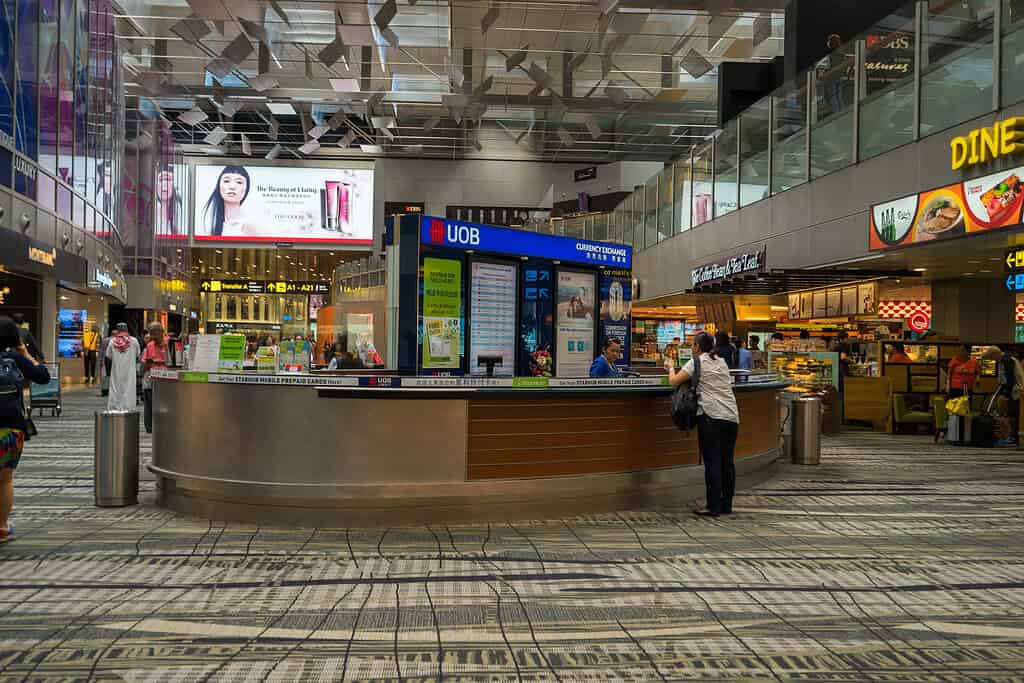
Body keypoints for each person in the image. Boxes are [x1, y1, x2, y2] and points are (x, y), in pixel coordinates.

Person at [665, 332, 739, 517]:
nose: (691, 347)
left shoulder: (696, 361)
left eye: (693, 344)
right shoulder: (721, 362)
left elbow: (674, 381)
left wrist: (670, 367)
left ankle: (713, 506)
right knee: (727, 462)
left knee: (712, 462)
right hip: (731, 415)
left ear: (697, 347)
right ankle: (726, 505)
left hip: (710, 416)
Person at [0, 314, 50, 543]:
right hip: (12, 428)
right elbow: (43, 377)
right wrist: (24, 352)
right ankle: (1, 527)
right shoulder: (14, 358)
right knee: (4, 480)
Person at [984, 346, 1023, 445]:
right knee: (1011, 415)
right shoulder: (1005, 360)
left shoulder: (1007, 361)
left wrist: (1006, 394)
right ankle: (1013, 436)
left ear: (995, 354)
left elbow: (1010, 379)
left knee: (1011, 415)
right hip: (1013, 390)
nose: (993, 361)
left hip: (1015, 391)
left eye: (991, 358)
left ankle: (1012, 437)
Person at [203, 165, 251, 237]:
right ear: (219, 186)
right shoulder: (210, 226)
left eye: (239, 182)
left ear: (246, 189)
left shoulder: (251, 225)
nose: (232, 187)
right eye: (226, 181)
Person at [105, 323, 140, 411]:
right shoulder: (134, 341)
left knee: (116, 387)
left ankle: (115, 406)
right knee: (129, 387)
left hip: (116, 370)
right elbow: (137, 354)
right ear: (127, 329)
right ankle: (129, 407)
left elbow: (108, 356)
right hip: (130, 370)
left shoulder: (112, 341)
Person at [141, 323, 167, 433]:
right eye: (150, 333)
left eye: (154, 332)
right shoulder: (150, 345)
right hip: (151, 377)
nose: (152, 335)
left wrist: (160, 362)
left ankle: (164, 424)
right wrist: (147, 363)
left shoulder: (169, 343)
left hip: (166, 379)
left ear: (162, 331)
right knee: (149, 402)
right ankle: (149, 427)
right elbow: (144, 362)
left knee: (165, 404)